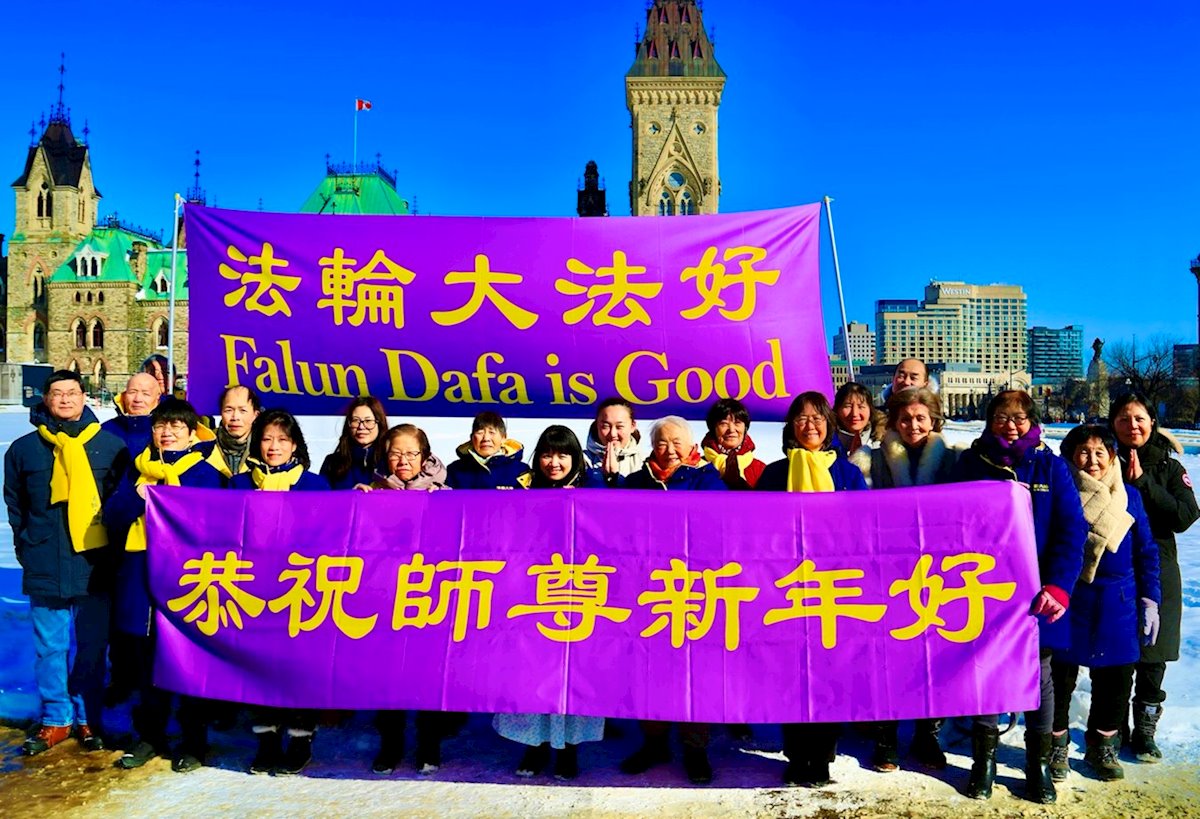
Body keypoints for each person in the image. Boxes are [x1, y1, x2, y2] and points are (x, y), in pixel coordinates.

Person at [952, 390, 1087, 804]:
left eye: (1019, 418)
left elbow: (1071, 530)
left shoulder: (1051, 466)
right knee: (986, 669)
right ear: (989, 420)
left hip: (1037, 591)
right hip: (982, 588)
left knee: (1039, 673)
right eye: (1001, 417)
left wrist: (1059, 585)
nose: (1010, 425)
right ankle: (984, 759)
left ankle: (1038, 763)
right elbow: (949, 520)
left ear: (1032, 422)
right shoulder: (971, 463)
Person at [4, 370, 128, 755]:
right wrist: (27, 545)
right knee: (49, 647)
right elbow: (15, 504)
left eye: (72, 392)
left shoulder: (110, 447)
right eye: (57, 393)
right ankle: (56, 718)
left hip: (95, 562)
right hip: (44, 558)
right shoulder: (24, 449)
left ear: (84, 397)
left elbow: (121, 504)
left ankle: (87, 715)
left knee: (92, 646)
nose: (65, 399)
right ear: (46, 398)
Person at [103, 399, 224, 771]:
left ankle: (194, 740)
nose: (167, 432)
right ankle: (150, 734)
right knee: (147, 661)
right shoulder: (139, 470)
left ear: (191, 434)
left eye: (176, 426)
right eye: (161, 426)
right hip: (141, 577)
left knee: (188, 660)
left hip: (188, 580)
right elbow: (112, 516)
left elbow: (216, 527)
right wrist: (137, 497)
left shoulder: (205, 474)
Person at [756, 390, 868, 787]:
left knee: (829, 671)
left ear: (829, 424)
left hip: (833, 588)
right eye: (802, 418)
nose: (810, 425)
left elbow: (864, 528)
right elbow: (756, 531)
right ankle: (796, 753)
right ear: (791, 426)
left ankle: (821, 755)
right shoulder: (774, 474)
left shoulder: (847, 475)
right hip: (786, 588)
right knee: (789, 673)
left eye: (818, 418)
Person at [1048, 425, 1160, 783]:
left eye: (1100, 452)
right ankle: (1055, 744)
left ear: (1112, 457)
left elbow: (1146, 552)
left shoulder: (1129, 496)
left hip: (1118, 602)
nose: (1092, 460)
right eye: (1083, 451)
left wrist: (1150, 599)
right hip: (1069, 598)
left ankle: (1102, 746)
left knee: (1116, 681)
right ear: (1070, 456)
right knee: (1059, 678)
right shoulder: (1059, 492)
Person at [495, 425, 606, 780]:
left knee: (574, 675)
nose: (554, 462)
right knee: (532, 673)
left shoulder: (593, 488)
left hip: (578, 595)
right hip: (534, 595)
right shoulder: (524, 488)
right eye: (546, 454)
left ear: (575, 458)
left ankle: (569, 748)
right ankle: (535, 745)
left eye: (562, 455)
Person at [620, 416, 724, 784]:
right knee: (650, 670)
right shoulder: (637, 482)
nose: (669, 449)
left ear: (691, 445)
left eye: (676, 442)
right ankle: (654, 743)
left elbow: (718, 527)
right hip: (648, 591)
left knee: (697, 672)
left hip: (694, 591)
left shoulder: (707, 480)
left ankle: (696, 749)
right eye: (662, 442)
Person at [231, 409, 328, 774]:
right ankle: (266, 740)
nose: (274, 447)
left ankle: (301, 739)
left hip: (300, 589)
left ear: (295, 445)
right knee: (258, 666)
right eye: (267, 439)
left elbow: (330, 535)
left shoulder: (315, 486)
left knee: (299, 667)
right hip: (252, 590)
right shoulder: (239, 485)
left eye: (282, 440)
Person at [867, 387, 957, 772]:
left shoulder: (954, 459)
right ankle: (886, 736)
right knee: (887, 654)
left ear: (933, 419)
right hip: (887, 570)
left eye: (921, 418)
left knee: (934, 655)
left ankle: (927, 735)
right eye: (905, 418)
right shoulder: (871, 461)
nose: (913, 425)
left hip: (939, 572)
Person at [1108, 393, 1198, 762]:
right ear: (1112, 423)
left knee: (1153, 654)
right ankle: (1112, 727)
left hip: (1159, 570)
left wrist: (1144, 482)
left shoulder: (1169, 467)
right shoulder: (1101, 459)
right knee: (1115, 654)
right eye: (1123, 419)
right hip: (1114, 570)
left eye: (1139, 418)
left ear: (1151, 422)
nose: (1132, 426)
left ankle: (1145, 730)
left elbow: (1184, 516)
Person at [358, 423, 449, 775]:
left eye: (411, 453)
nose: (404, 460)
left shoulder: (444, 493)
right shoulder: (373, 490)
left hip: (429, 597)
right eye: (396, 453)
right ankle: (390, 744)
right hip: (385, 596)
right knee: (388, 674)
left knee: (429, 673)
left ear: (425, 457)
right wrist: (356, 504)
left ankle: (429, 743)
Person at [100, 372, 163, 707]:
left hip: (160, 540)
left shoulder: (167, 430)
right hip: (116, 534)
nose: (137, 398)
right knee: (119, 613)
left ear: (158, 397)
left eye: (145, 393)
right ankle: (122, 676)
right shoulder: (107, 432)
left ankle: (156, 680)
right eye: (132, 391)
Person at [445, 411, 528, 489]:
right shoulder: (454, 470)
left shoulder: (521, 471)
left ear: (503, 437)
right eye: (480, 432)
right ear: (472, 438)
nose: (486, 438)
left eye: (492, 432)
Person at [319, 397, 388, 490]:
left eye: (368, 421)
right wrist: (352, 494)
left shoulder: (390, 461)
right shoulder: (332, 462)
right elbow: (322, 497)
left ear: (380, 424)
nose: (361, 427)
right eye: (355, 420)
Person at [700, 397, 766, 490]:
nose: (731, 430)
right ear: (713, 429)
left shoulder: (761, 470)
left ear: (745, 428)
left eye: (737, 423)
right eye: (724, 423)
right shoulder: (698, 466)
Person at [206, 385, 262, 481]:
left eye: (243, 411)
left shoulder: (264, 448)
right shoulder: (204, 445)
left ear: (255, 415)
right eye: (228, 410)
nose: (235, 417)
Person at [583, 398, 645, 482]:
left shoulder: (644, 463)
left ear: (632, 426)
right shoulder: (581, 461)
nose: (612, 434)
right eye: (605, 426)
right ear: (597, 426)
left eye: (619, 427)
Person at [833, 381, 881, 481]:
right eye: (848, 406)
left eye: (861, 407)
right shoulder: (827, 446)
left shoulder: (883, 443)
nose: (855, 413)